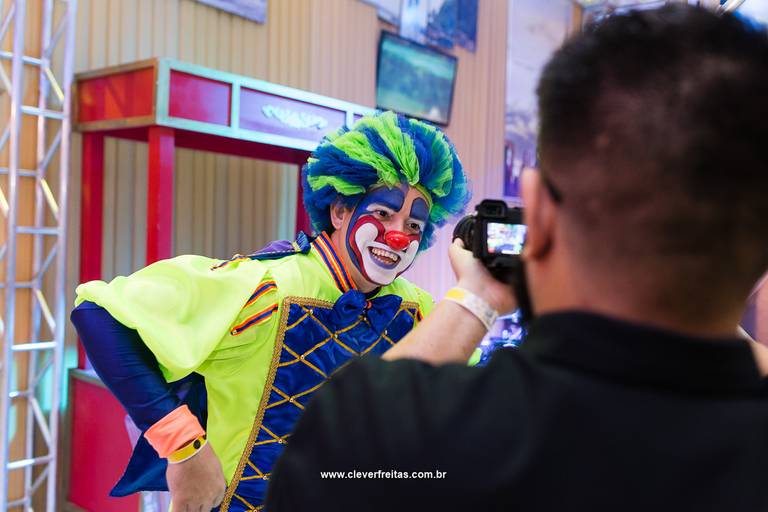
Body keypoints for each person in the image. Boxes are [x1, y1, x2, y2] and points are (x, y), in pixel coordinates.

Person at [266, 6, 768, 511]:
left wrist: (479, 297)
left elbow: (361, 441)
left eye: (414, 224)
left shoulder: (392, 424)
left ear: (543, 214)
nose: (399, 236)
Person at [70, 111, 470, 511]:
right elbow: (98, 314)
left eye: (414, 225)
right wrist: (183, 446)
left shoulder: (416, 308)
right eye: (383, 214)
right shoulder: (268, 288)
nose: (399, 235)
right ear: (340, 212)